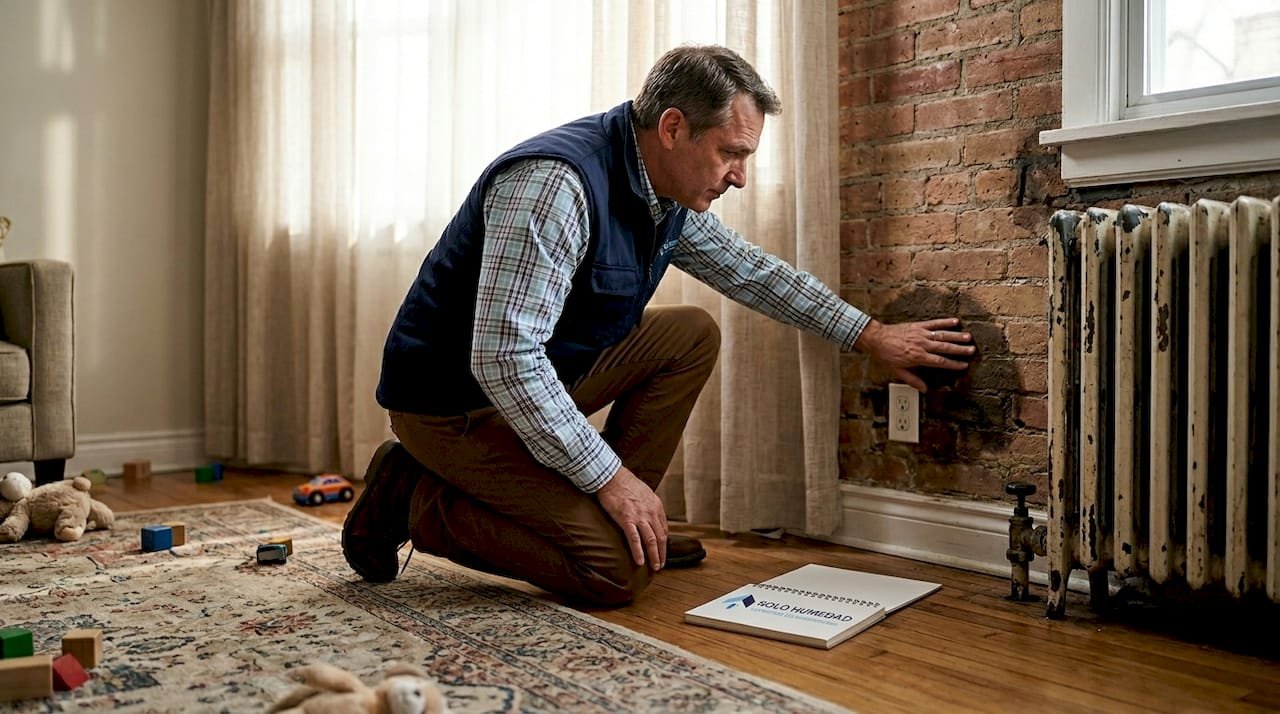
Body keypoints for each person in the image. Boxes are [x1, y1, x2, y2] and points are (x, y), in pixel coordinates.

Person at [342, 45, 975, 607]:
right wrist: (610, 478)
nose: (741, 176)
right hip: (453, 404)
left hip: (530, 382)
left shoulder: (663, 192)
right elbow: (505, 358)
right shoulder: (554, 185)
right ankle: (416, 497)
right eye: (730, 153)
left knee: (688, 332)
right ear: (673, 127)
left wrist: (871, 336)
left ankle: (627, 523)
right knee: (614, 576)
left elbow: (752, 273)